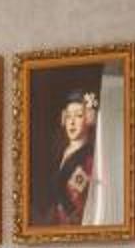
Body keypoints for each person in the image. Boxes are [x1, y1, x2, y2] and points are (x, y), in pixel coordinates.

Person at [40, 90, 100, 227]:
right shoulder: (62, 152)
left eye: (78, 116)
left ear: (89, 119)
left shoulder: (88, 158)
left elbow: (75, 201)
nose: (72, 122)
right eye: (68, 116)